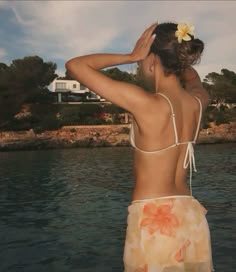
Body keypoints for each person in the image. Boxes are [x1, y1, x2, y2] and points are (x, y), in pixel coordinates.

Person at [66, 21, 214, 272]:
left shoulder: (146, 103)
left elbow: (75, 66)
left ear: (152, 60)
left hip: (155, 220)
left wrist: (130, 55)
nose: (139, 64)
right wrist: (177, 57)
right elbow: (193, 79)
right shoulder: (198, 102)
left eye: (141, 60)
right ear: (179, 60)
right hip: (192, 218)